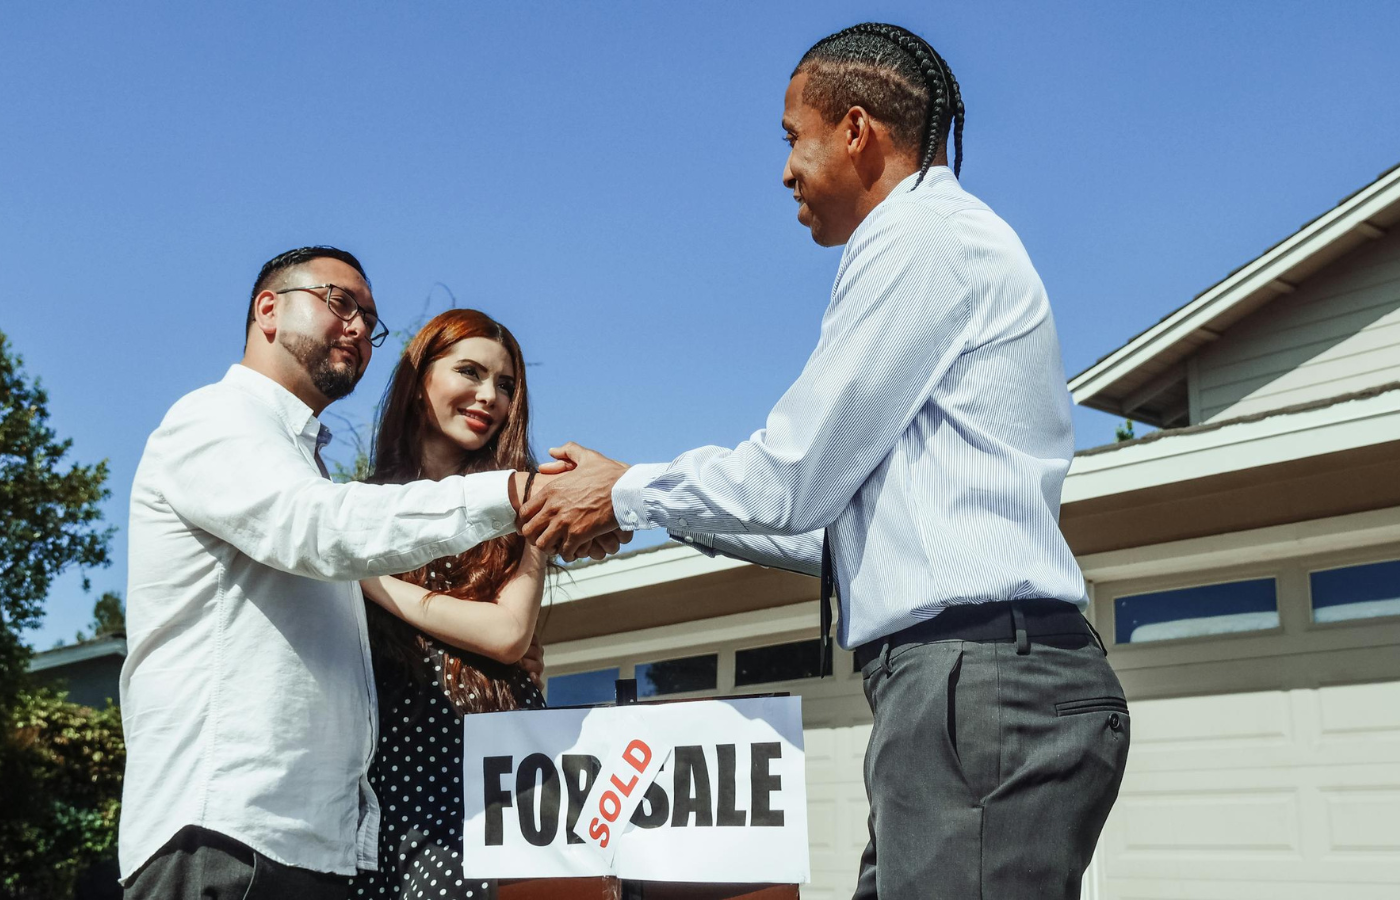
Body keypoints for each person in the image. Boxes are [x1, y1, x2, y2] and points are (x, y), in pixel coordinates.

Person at [520, 23, 1129, 900]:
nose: (784, 170)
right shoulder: (937, 240)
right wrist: (654, 507)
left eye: (791, 138)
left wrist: (625, 494)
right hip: (967, 688)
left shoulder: (919, 237)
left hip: (979, 686)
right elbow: (835, 536)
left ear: (855, 130)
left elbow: (792, 476)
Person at [119, 248, 618, 899]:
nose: (358, 328)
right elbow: (322, 530)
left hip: (314, 846)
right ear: (267, 309)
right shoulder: (215, 421)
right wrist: (522, 494)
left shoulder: (304, 463)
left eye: (371, 319)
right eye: (340, 302)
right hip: (228, 833)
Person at [349, 309, 550, 900]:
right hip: (384, 786)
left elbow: (509, 634)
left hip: (493, 780)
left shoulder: (524, 509)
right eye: (470, 371)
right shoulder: (353, 510)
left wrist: (369, 581)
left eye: (506, 385)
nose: (490, 396)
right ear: (419, 381)